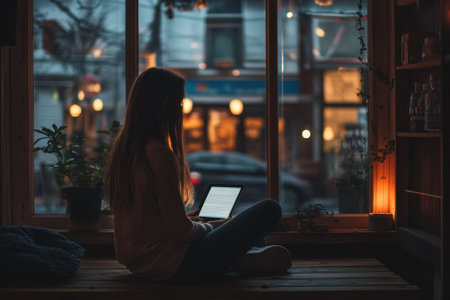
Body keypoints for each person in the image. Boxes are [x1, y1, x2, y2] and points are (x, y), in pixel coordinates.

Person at [105, 67, 291, 282]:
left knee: (244, 231)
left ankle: (241, 259)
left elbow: (149, 222)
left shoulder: (126, 152)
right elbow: (180, 233)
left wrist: (189, 220)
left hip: (142, 265)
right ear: (165, 104)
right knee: (269, 209)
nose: (181, 110)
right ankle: (241, 260)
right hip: (174, 264)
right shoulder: (159, 154)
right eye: (180, 103)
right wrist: (216, 225)